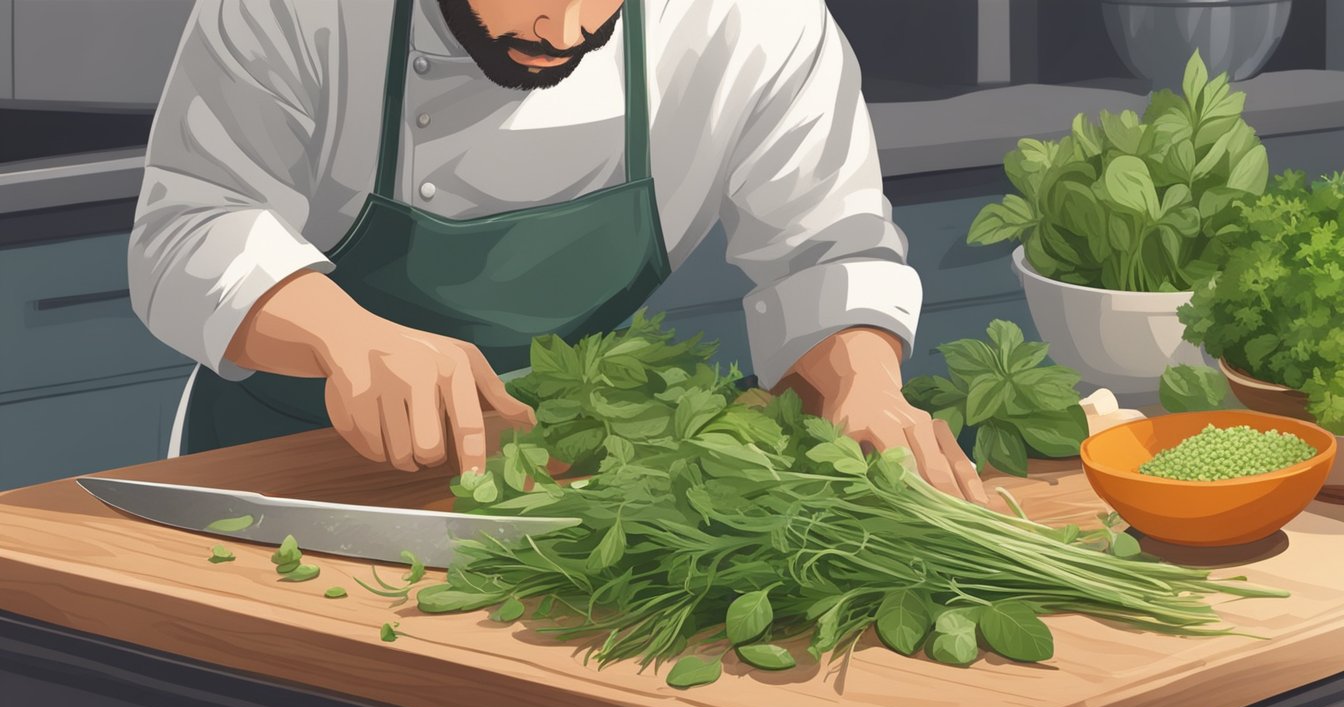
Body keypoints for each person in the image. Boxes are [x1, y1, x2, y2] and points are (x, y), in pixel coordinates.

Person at [128, 0, 989, 505]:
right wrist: (347, 339)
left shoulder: (754, 21)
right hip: (274, 476)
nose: (565, 26)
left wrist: (861, 387)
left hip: (569, 481)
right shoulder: (300, 12)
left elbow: (825, 253)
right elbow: (192, 224)